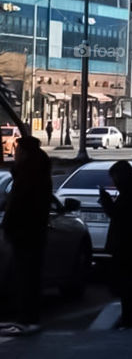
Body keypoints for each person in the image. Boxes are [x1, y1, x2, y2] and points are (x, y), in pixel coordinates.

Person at [1, 134, 52, 334]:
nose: (15, 154)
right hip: (30, 233)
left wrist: (10, 226)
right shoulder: (35, 172)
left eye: (18, 151)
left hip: (26, 233)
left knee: (26, 277)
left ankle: (27, 318)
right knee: (27, 277)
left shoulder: (29, 177)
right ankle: (26, 316)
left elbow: (19, 206)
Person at [99, 161, 132, 329]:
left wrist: (106, 202)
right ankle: (127, 317)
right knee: (126, 279)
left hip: (126, 241)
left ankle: (128, 318)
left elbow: (119, 215)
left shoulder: (131, 193)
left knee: (125, 280)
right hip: (129, 241)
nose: (114, 182)